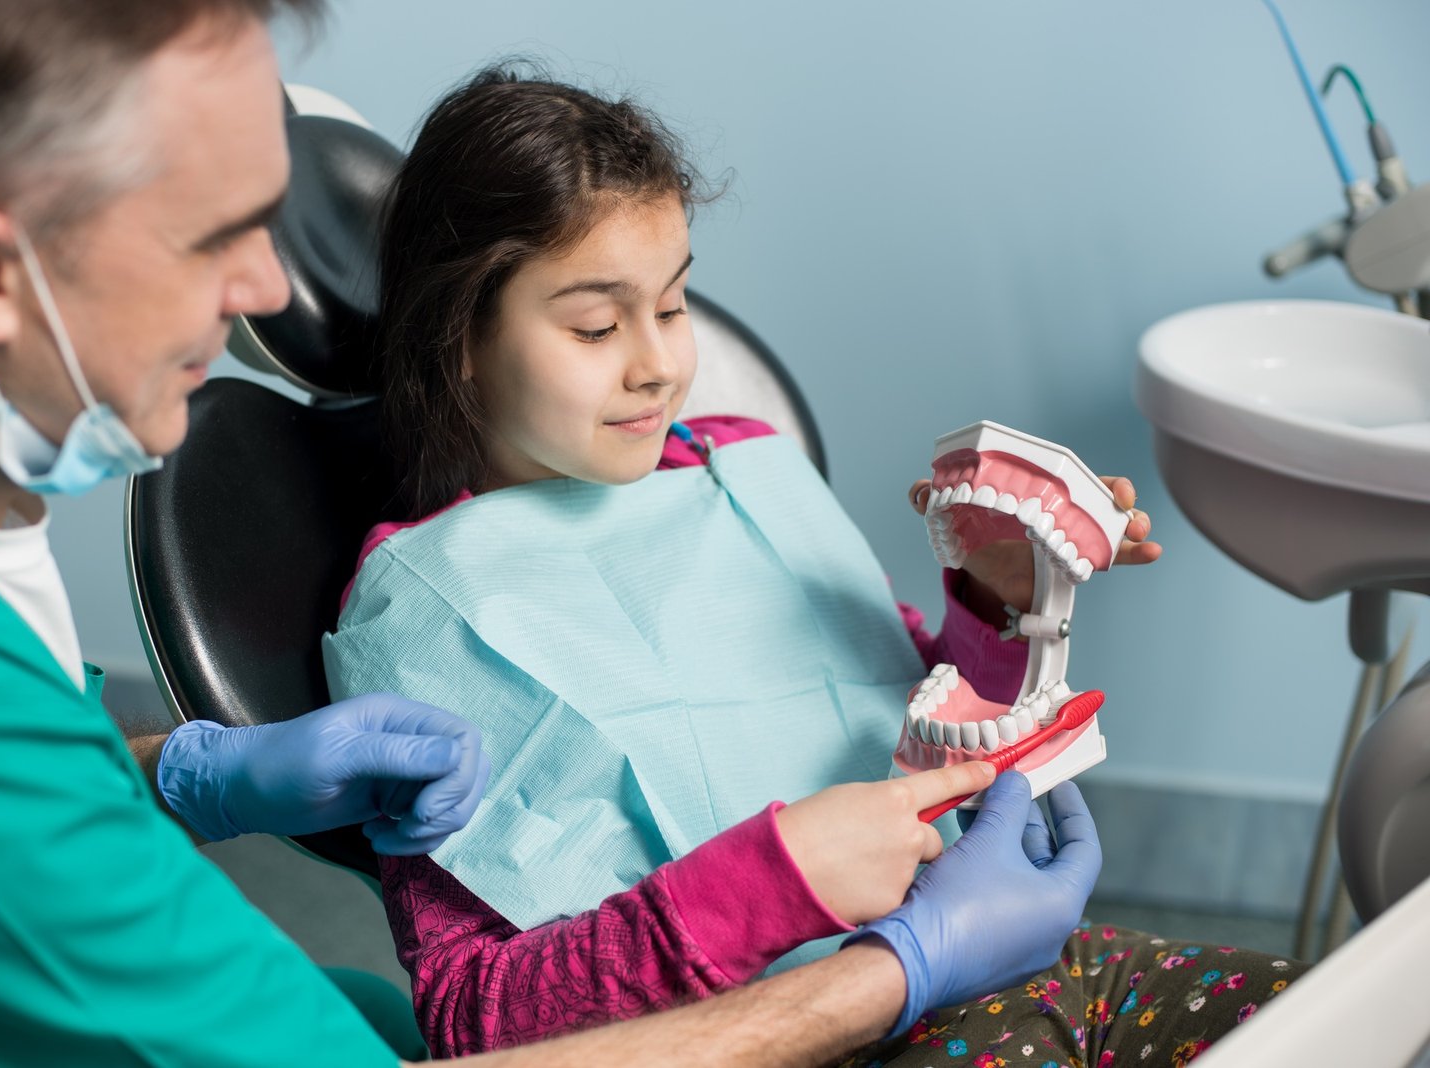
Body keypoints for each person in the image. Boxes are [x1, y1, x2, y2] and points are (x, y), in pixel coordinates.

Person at [0, 3, 1171, 1066]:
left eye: (672, 306)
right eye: (213, 238)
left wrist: (181, 774)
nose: (267, 293)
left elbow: (22, 763)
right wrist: (892, 970)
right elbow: (467, 1026)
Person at [323, 68, 1309, 1064]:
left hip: (1024, 966)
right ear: (460, 340)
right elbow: (472, 1020)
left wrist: (1001, 601)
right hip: (828, 1037)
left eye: (670, 308)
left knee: (1342, 1017)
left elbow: (911, 713)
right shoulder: (427, 616)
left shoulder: (741, 471)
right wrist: (774, 884)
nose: (655, 364)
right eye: (594, 325)